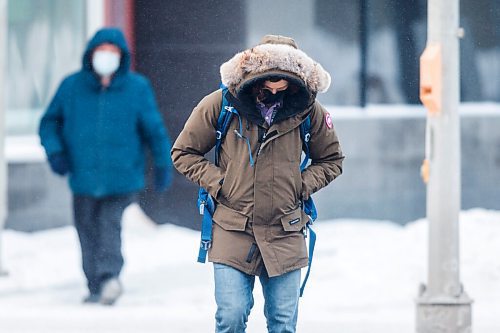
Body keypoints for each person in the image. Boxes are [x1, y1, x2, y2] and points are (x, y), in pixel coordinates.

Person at [171, 35, 344, 332]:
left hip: (286, 229)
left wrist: (299, 185)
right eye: (269, 80)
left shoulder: (310, 112)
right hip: (232, 227)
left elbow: (332, 160)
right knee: (231, 315)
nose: (275, 87)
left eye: (284, 82)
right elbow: (183, 152)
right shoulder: (222, 104)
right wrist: (221, 182)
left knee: (282, 323)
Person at [39, 28, 173, 305]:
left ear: (121, 56)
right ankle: (94, 284)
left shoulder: (137, 88)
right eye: (103, 51)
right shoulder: (71, 86)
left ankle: (110, 277)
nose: (107, 57)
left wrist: (163, 164)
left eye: (113, 52)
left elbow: (154, 130)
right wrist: (56, 153)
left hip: (122, 176)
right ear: (91, 54)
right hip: (83, 176)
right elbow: (49, 123)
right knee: (86, 229)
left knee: (107, 225)